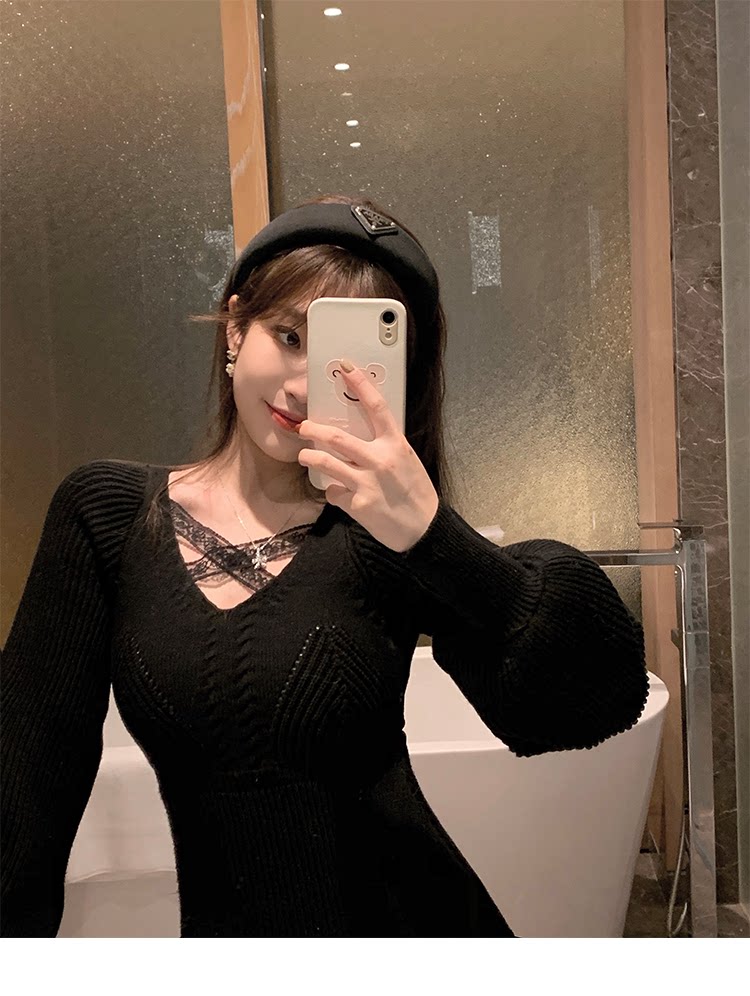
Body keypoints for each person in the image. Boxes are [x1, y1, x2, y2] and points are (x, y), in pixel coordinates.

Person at [0, 193, 649, 938]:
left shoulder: (387, 532)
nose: (306, 387)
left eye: (348, 364)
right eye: (288, 336)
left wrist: (434, 538)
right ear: (235, 327)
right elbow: (25, 781)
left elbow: (594, 702)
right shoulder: (107, 516)